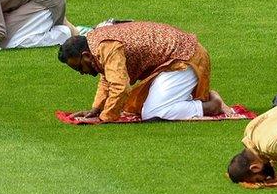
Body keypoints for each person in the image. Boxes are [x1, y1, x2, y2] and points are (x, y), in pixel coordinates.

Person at [57, 21, 229, 122]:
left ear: (86, 56)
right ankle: (191, 97)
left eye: (79, 67)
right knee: (135, 106)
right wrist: (96, 109)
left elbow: (119, 86)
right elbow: (107, 77)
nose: (81, 72)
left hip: (185, 59)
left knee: (153, 112)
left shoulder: (106, 47)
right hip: (172, 61)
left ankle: (212, 106)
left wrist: (105, 118)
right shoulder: (95, 44)